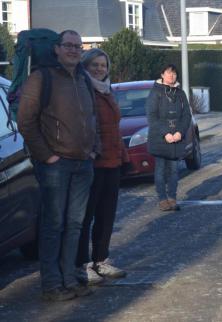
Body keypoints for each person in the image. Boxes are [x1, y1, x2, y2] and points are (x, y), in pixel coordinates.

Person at [18, 30, 97, 301]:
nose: (74, 50)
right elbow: (26, 121)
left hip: (83, 163)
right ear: (57, 49)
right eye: (69, 45)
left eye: (78, 46)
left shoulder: (84, 79)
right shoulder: (42, 79)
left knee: (74, 224)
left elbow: (92, 116)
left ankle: (69, 279)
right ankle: (52, 285)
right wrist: (47, 156)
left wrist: (93, 150)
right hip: (56, 164)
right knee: (54, 225)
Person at [76, 48, 128, 285]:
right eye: (95, 65)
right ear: (86, 66)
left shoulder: (108, 91)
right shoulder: (83, 90)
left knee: (106, 215)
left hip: (112, 161)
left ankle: (101, 260)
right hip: (93, 162)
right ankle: (83, 264)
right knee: (86, 216)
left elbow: (115, 128)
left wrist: (122, 156)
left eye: (103, 65)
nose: (99, 69)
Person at [146, 64, 192, 212]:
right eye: (168, 73)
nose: (171, 76)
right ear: (162, 75)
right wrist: (166, 133)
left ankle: (172, 198)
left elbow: (187, 115)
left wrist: (180, 132)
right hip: (160, 138)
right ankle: (162, 199)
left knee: (173, 170)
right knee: (160, 170)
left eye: (174, 74)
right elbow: (152, 117)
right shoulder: (155, 93)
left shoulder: (180, 93)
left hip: (176, 138)